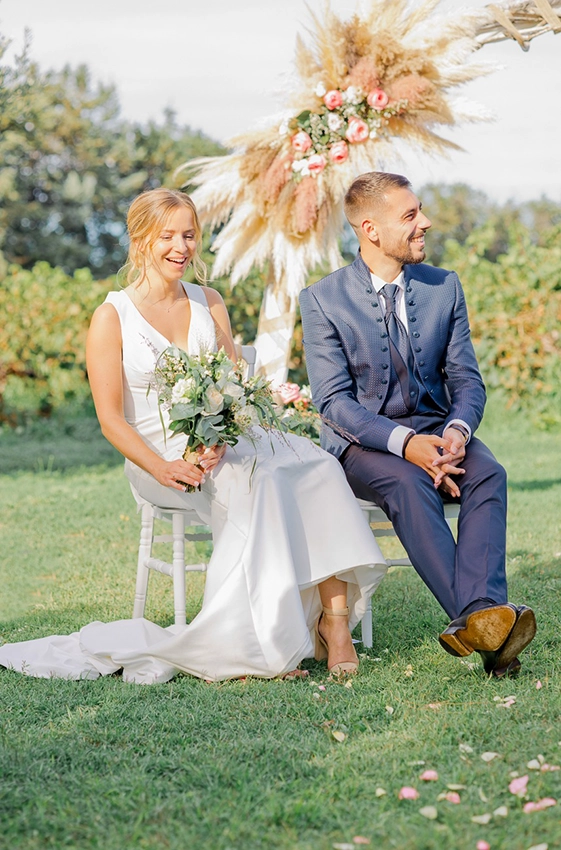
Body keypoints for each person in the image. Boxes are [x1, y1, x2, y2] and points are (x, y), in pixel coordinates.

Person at [0, 188, 387, 684]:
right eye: (168, 236)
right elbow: (111, 420)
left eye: (189, 235)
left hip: (225, 443)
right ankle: (253, 643)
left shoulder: (209, 301)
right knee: (260, 483)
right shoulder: (111, 317)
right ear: (140, 239)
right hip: (156, 458)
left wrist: (225, 431)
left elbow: (235, 387)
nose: (181, 247)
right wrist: (163, 466)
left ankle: (333, 625)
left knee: (318, 465)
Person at [299, 171, 536, 678]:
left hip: (439, 429)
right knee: (409, 484)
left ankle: (477, 617)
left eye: (420, 211)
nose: (425, 222)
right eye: (410, 216)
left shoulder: (444, 285)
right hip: (363, 444)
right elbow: (333, 403)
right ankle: (492, 630)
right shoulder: (322, 299)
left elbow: (467, 382)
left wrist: (456, 432)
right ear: (371, 229)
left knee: (489, 472)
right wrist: (406, 445)